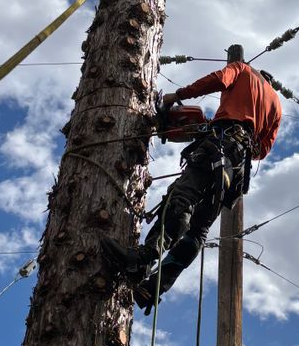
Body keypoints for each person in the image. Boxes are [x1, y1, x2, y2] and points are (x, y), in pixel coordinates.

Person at [102, 50, 282, 311]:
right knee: (198, 230)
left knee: (181, 198)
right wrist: (233, 133)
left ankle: (143, 259)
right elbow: (262, 151)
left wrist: (178, 95)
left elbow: (217, 79)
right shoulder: (276, 104)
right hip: (236, 170)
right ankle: (155, 287)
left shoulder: (242, 69)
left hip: (218, 147)